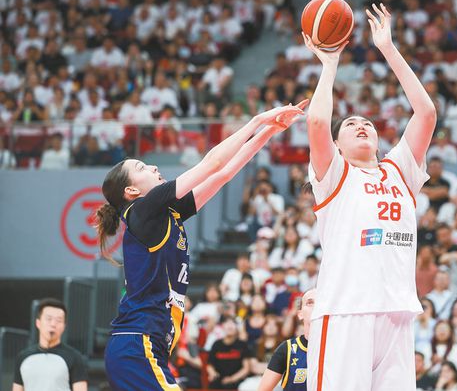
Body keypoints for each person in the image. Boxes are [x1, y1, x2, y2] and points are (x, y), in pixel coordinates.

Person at [98, 102, 306, 390]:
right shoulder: (142, 210)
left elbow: (223, 174)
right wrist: (257, 120)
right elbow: (212, 163)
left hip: (150, 345)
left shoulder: (166, 213)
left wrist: (269, 131)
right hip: (137, 345)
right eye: (142, 167)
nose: (153, 166)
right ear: (131, 190)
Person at [303, 3, 437, 391]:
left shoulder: (400, 170)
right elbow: (316, 121)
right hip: (346, 312)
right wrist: (330, 63)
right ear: (337, 145)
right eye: (350, 124)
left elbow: (426, 114)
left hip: (396, 313)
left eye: (367, 123)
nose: (361, 125)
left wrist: (388, 48)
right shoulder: (334, 174)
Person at [12, 298, 88, 391]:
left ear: (64, 326)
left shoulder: (75, 358)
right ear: (38, 323)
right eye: (49, 319)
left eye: (59, 320)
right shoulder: (23, 357)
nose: (53, 324)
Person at [257, 288, 315, 391]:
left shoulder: (337, 347)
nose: (316, 306)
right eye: (310, 303)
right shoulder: (287, 349)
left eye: (320, 302)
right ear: (300, 314)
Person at [207, 317, 252, 389]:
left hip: (237, 380)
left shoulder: (242, 345)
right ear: (222, 327)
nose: (230, 325)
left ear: (237, 328)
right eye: (227, 323)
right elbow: (210, 365)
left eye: (233, 323)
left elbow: (246, 368)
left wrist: (231, 379)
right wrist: (212, 373)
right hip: (219, 379)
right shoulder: (216, 344)